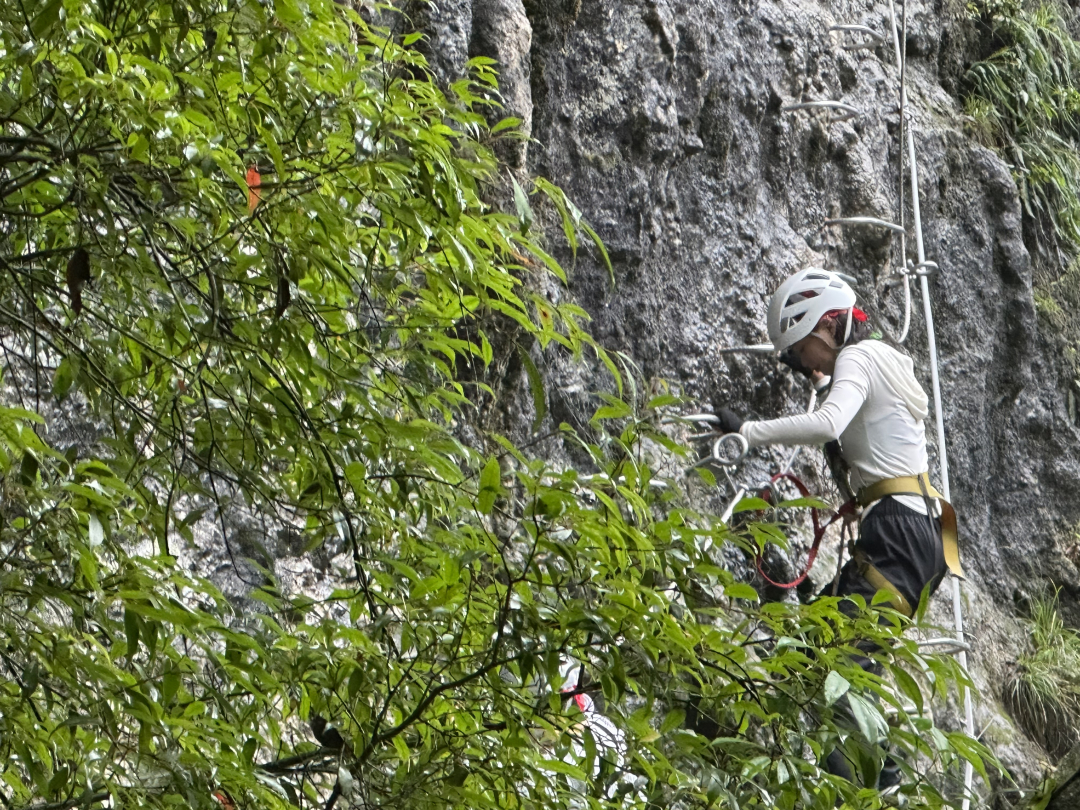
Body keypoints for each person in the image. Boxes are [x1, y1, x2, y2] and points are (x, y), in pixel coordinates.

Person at [715, 268, 964, 790]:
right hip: (921, 528)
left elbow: (829, 422)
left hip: (902, 529)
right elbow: (874, 441)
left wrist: (749, 432)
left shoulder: (858, 356)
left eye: (802, 348)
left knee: (829, 668)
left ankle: (879, 788)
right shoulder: (879, 358)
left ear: (824, 324)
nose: (802, 362)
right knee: (830, 661)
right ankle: (877, 785)